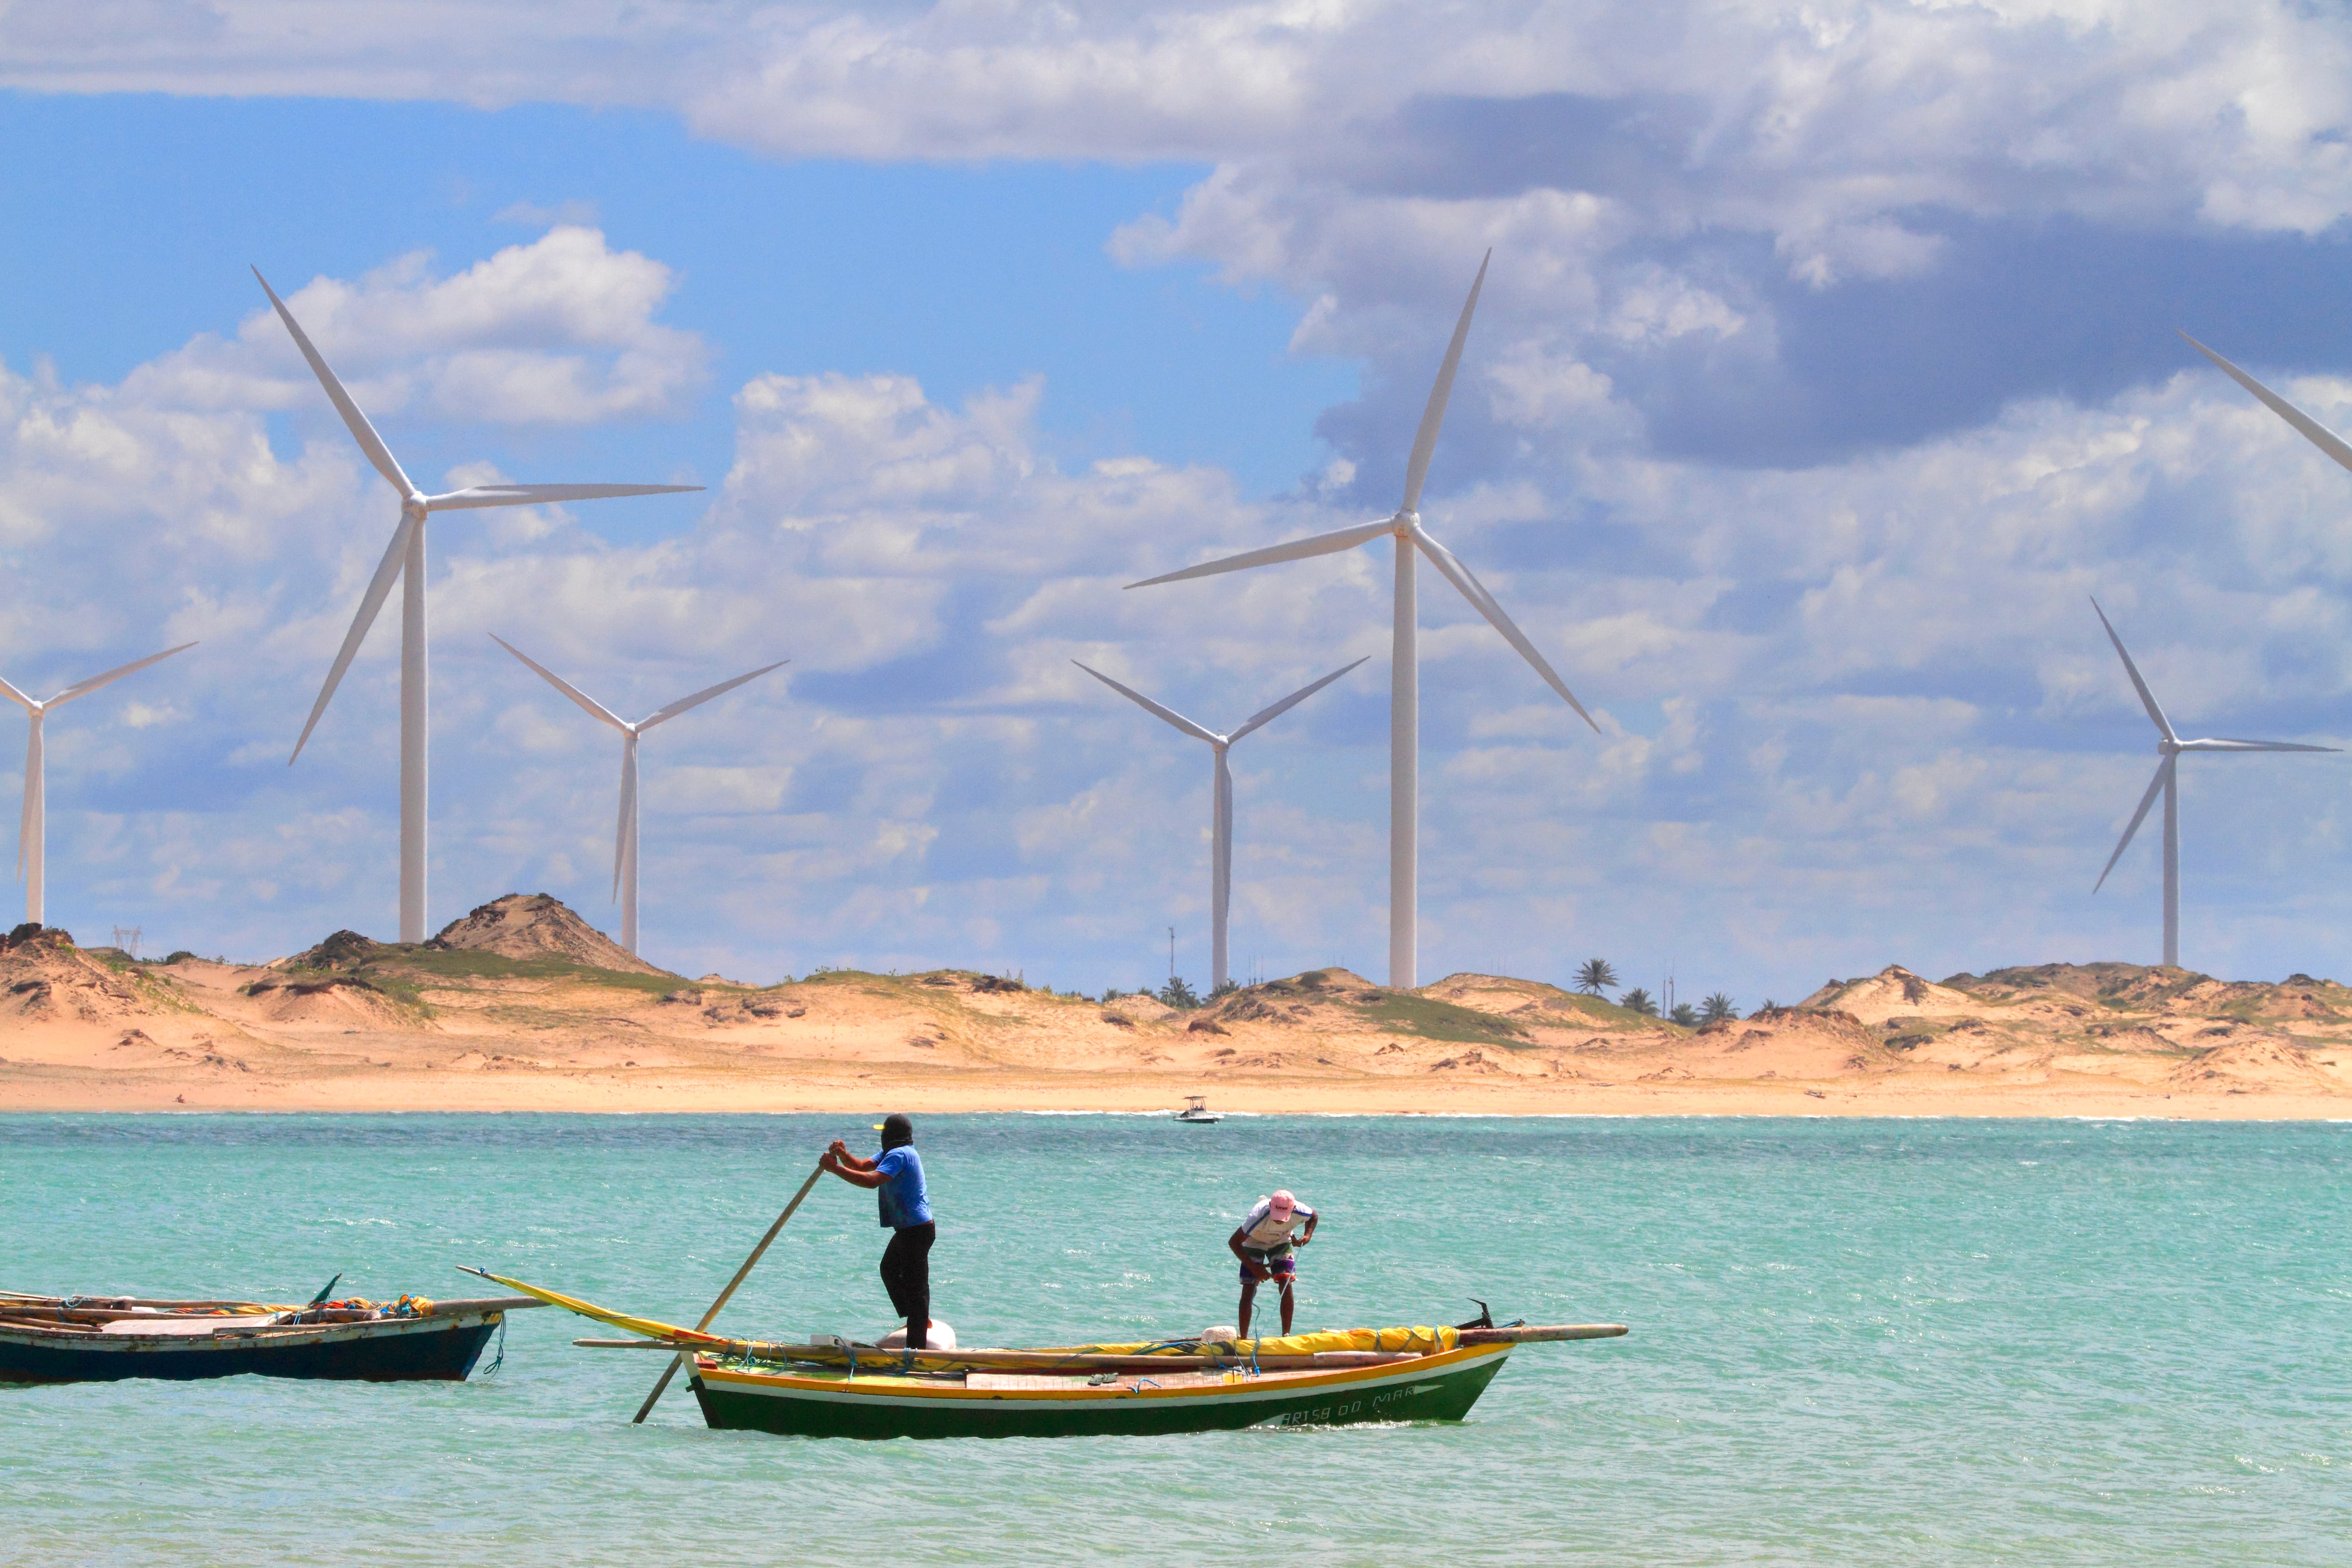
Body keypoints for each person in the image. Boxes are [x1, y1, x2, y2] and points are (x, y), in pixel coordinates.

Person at [821, 1113, 935, 1351]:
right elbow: (862, 1166)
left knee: (917, 1289)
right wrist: (843, 1155)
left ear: (890, 1136)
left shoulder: (900, 1154)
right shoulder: (889, 1154)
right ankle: (917, 1319)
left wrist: (834, 1170)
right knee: (889, 1269)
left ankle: (917, 1350)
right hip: (909, 1229)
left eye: (884, 1133)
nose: (882, 1137)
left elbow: (872, 1181)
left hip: (917, 1230)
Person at [1228, 1188, 1317, 1339]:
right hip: (1254, 1242)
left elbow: (1314, 1216)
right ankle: (1244, 1339)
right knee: (1249, 1287)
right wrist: (1254, 1268)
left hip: (1281, 1242)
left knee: (1286, 1281)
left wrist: (1307, 1236)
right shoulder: (1258, 1215)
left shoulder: (1301, 1210)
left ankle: (1286, 1335)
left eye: (1283, 1216)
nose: (1278, 1220)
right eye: (1276, 1215)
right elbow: (1234, 1242)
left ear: (1293, 1209)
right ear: (1270, 1205)